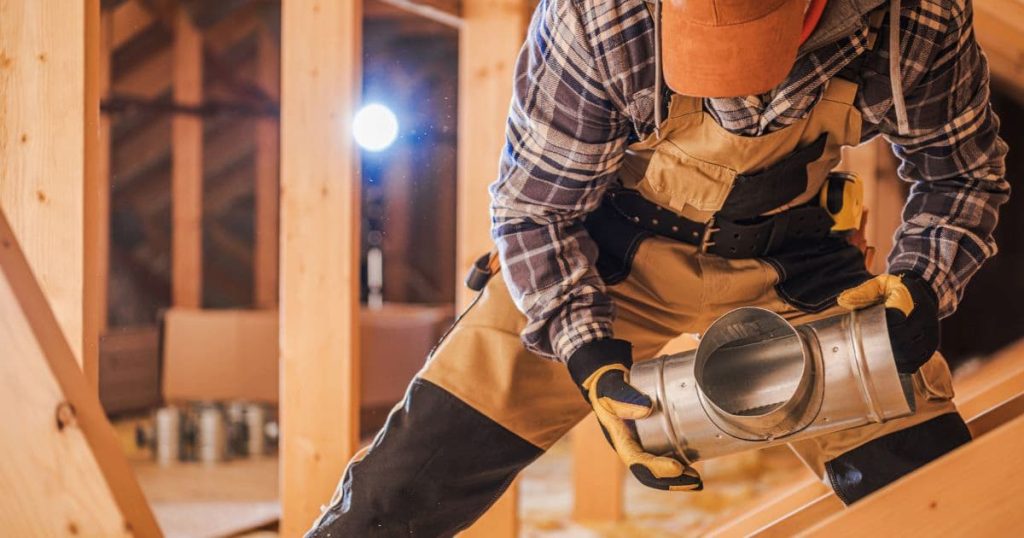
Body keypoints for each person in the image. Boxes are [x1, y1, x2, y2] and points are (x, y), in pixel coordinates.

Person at [308, 0, 1009, 535]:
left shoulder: (912, 18)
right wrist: (583, 349)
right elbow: (535, 212)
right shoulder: (601, 15)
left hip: (794, 261)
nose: (734, 102)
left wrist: (922, 284)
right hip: (604, 254)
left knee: (935, 497)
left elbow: (963, 176)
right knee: (394, 496)